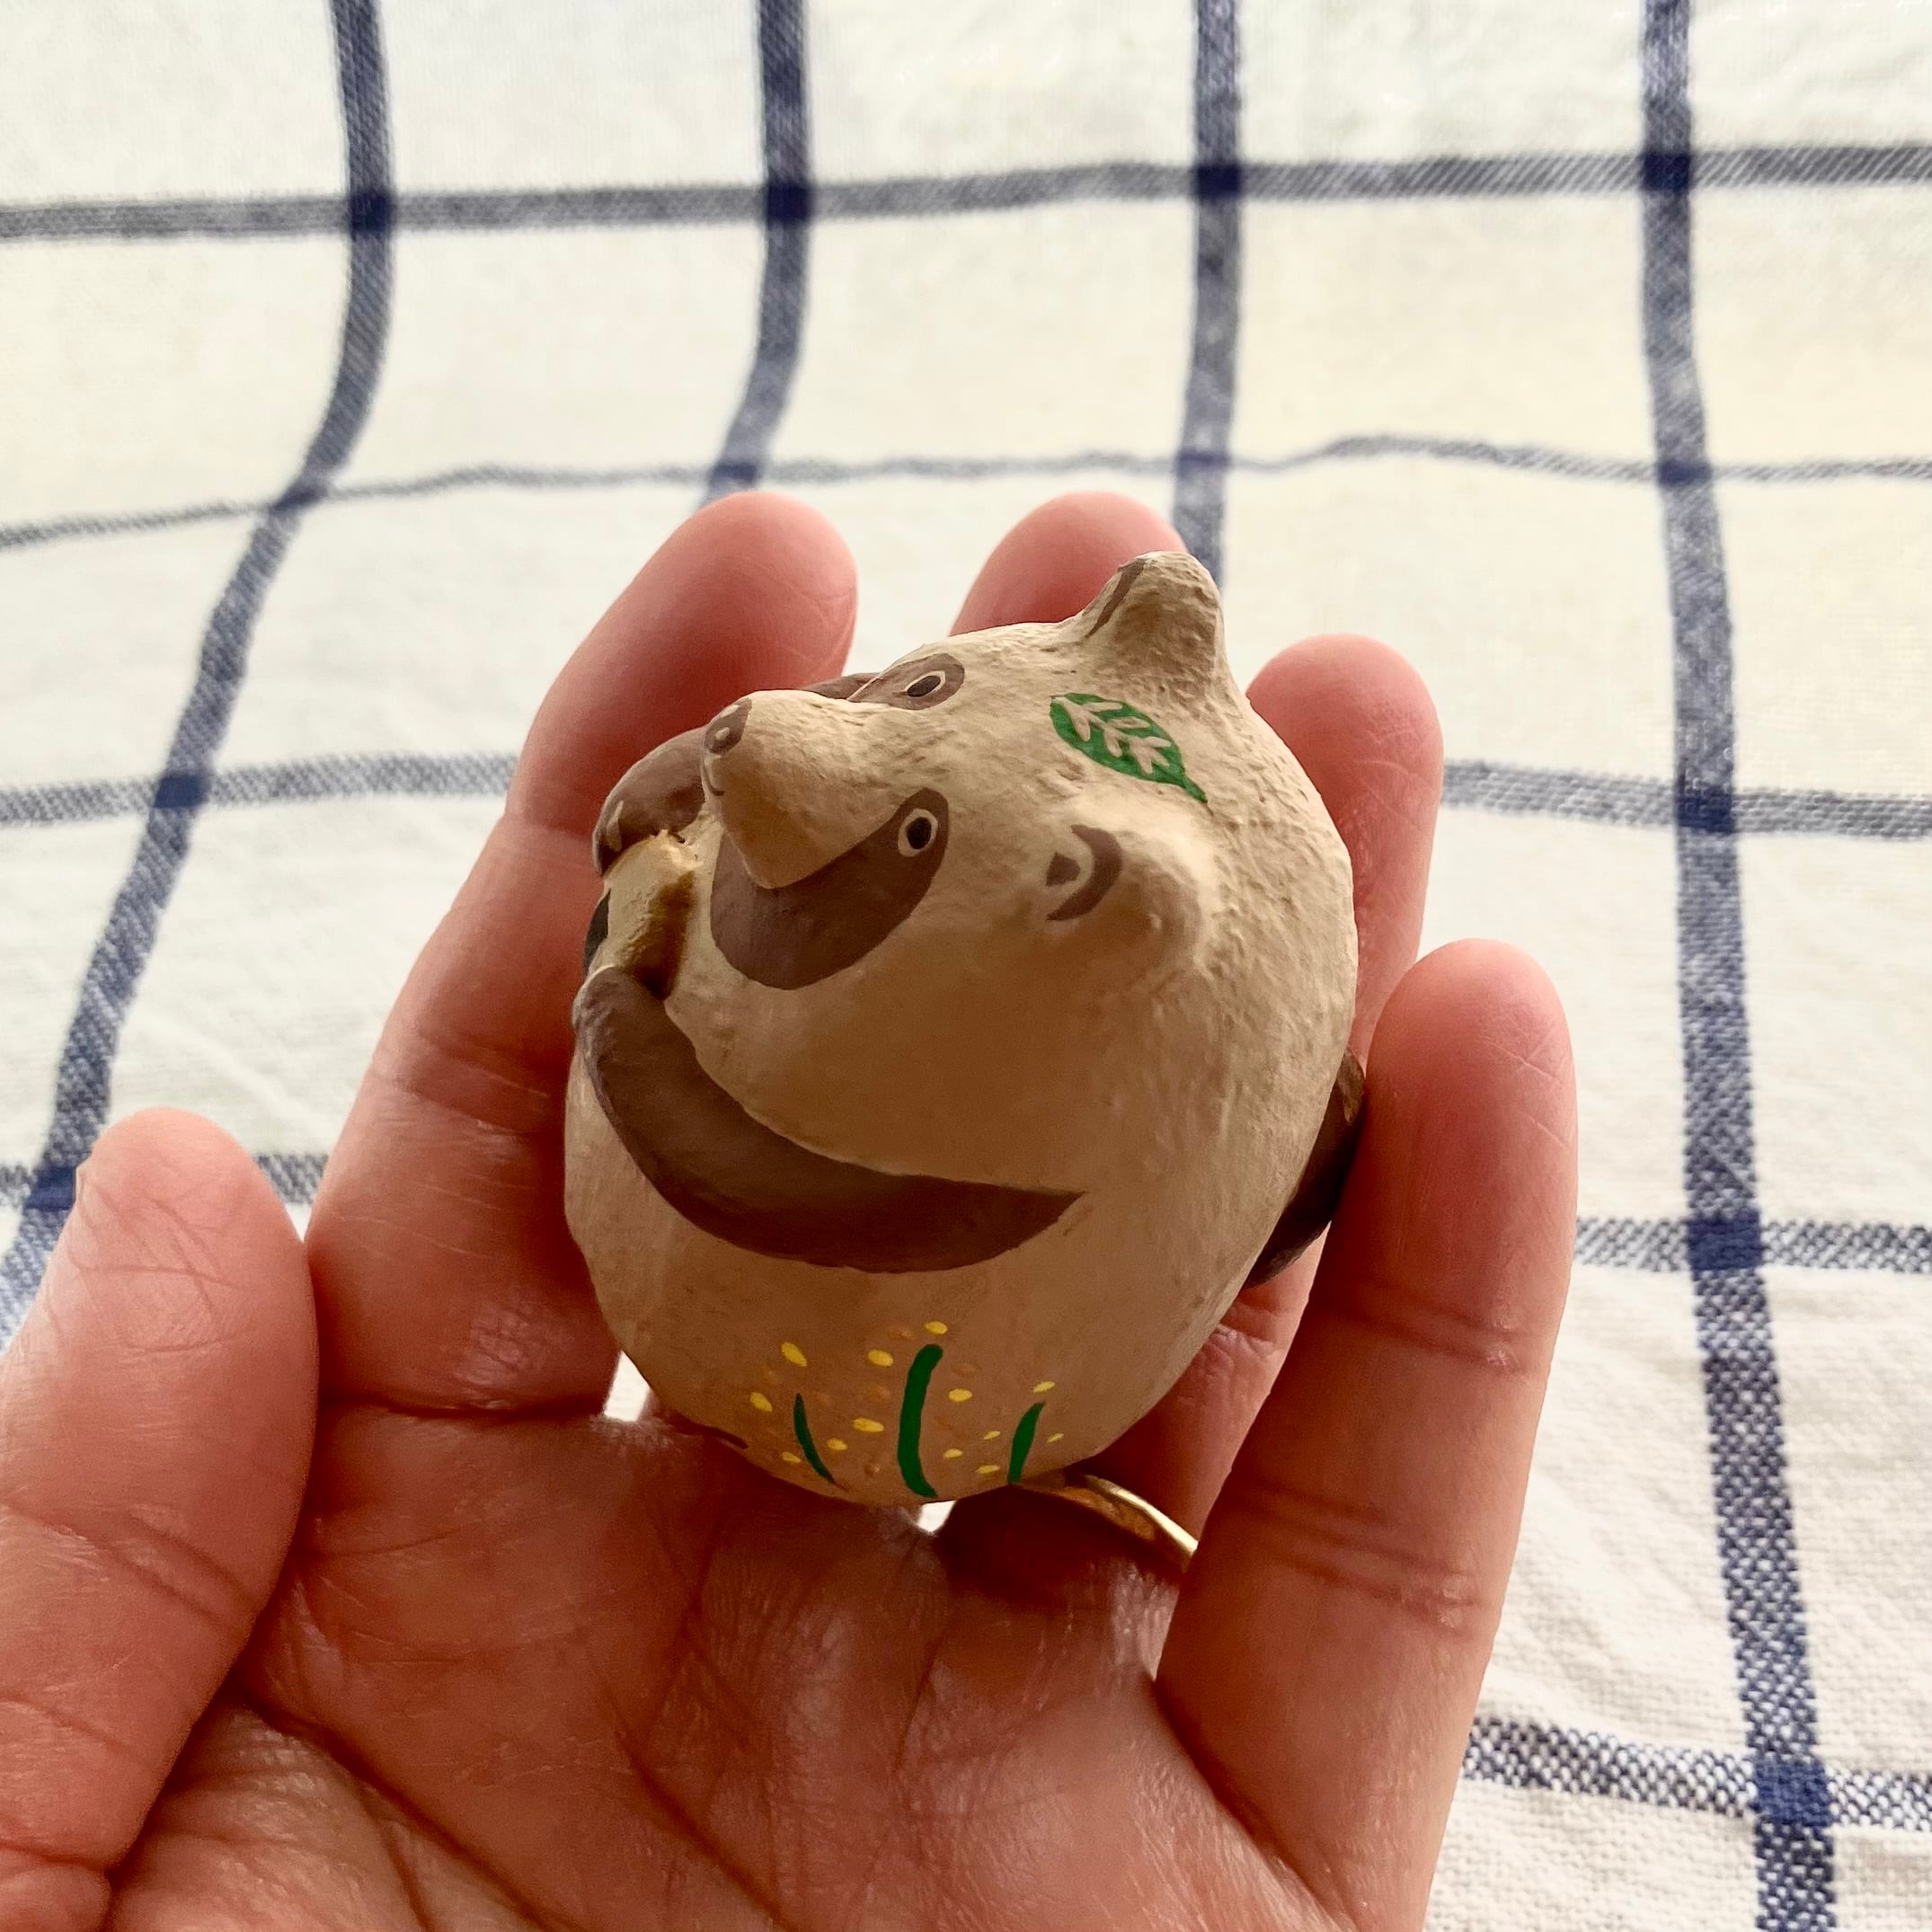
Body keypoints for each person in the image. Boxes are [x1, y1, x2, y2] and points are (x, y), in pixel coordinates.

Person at [0, 491, 1575, 1930]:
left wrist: (625, 999)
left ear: (1091, 885)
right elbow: (756, 759)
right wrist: (671, 850)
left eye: (919, 827)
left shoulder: (1126, 921)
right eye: (910, 696)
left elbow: (764, 1152)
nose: (783, 742)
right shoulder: (783, 801)